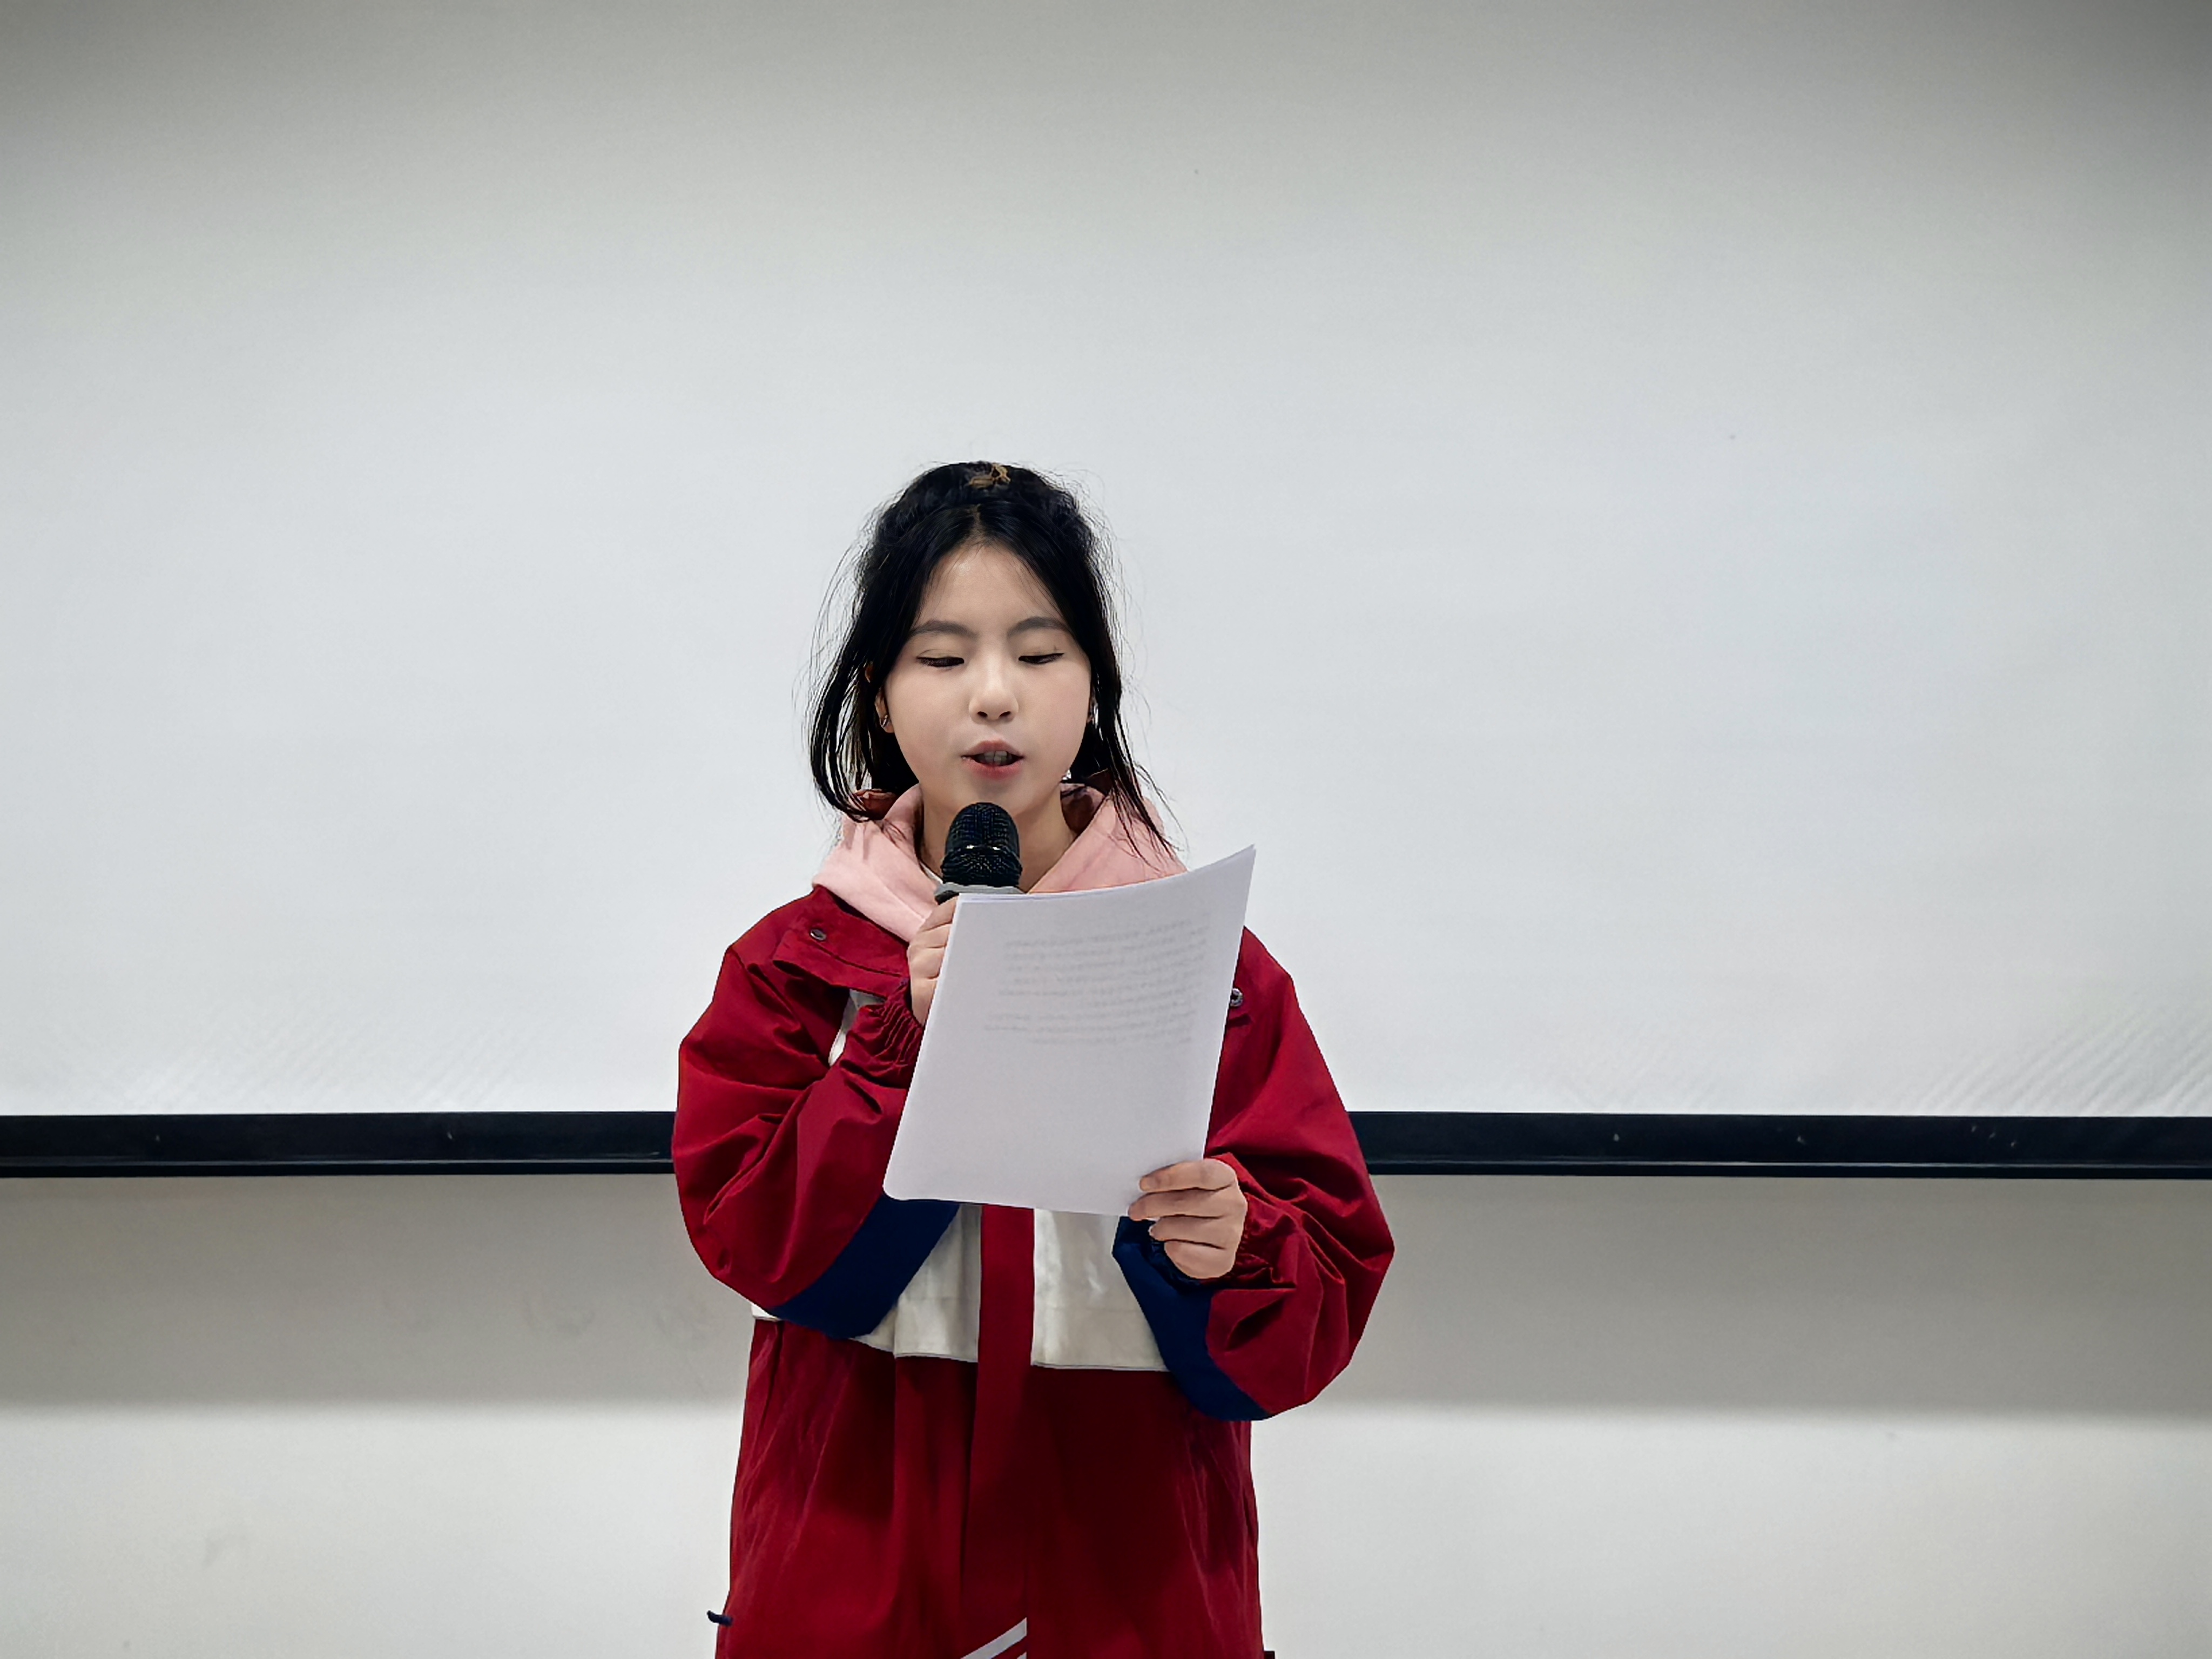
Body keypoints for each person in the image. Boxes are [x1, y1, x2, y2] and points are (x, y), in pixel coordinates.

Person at [673, 462, 1393, 1659]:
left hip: (1133, 1607)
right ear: (879, 693)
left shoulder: (1212, 971)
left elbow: (1305, 1329)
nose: (994, 695)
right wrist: (903, 1050)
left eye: (1040, 652)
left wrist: (1238, 1246)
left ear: (1093, 683)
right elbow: (766, 1251)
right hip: (855, 1599)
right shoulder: (798, 967)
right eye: (942, 657)